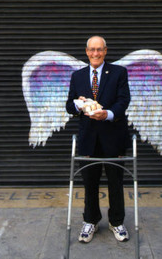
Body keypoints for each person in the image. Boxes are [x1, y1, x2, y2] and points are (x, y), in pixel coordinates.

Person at [66, 35, 131, 243]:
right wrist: (78, 104)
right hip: (88, 139)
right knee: (89, 183)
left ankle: (117, 222)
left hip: (114, 136)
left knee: (115, 182)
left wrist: (108, 114)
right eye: (92, 49)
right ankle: (90, 220)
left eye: (99, 49)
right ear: (86, 51)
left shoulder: (119, 73)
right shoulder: (77, 76)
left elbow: (123, 101)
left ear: (105, 51)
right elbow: (69, 105)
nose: (96, 53)